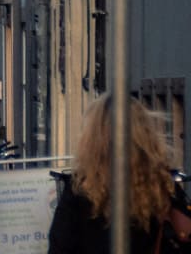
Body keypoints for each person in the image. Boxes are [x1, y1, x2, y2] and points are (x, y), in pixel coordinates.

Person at [47, 92, 191, 254]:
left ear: (93, 137)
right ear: (144, 133)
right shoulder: (161, 185)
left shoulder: (79, 190)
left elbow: (59, 247)